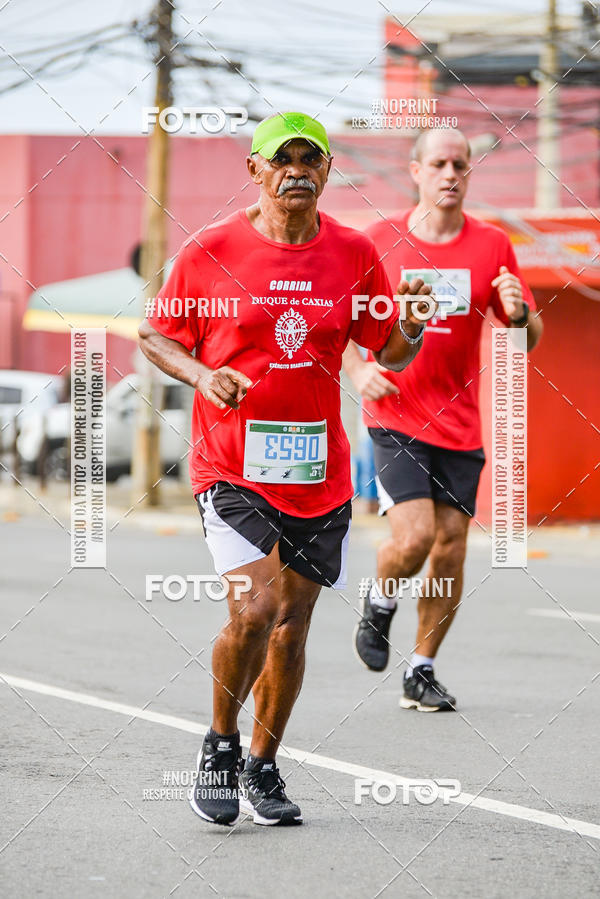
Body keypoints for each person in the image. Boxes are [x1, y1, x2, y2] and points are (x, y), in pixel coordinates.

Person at [138, 111, 434, 826]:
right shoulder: (211, 251)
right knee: (256, 607)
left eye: (312, 158)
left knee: (293, 628)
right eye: (283, 157)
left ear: (328, 171)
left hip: (318, 474)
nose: (296, 169)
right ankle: (218, 744)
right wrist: (205, 375)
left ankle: (264, 767)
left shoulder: (355, 252)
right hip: (231, 466)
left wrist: (414, 325)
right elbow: (155, 333)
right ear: (256, 170)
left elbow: (386, 350)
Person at [344, 127, 543, 712]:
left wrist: (520, 313)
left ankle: (422, 668)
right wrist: (359, 375)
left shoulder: (492, 246)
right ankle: (380, 601)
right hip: (395, 414)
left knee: (452, 548)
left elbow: (527, 337)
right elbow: (341, 328)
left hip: (460, 424)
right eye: (439, 163)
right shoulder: (379, 242)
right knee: (416, 537)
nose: (450, 173)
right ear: (416, 171)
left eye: (460, 164)